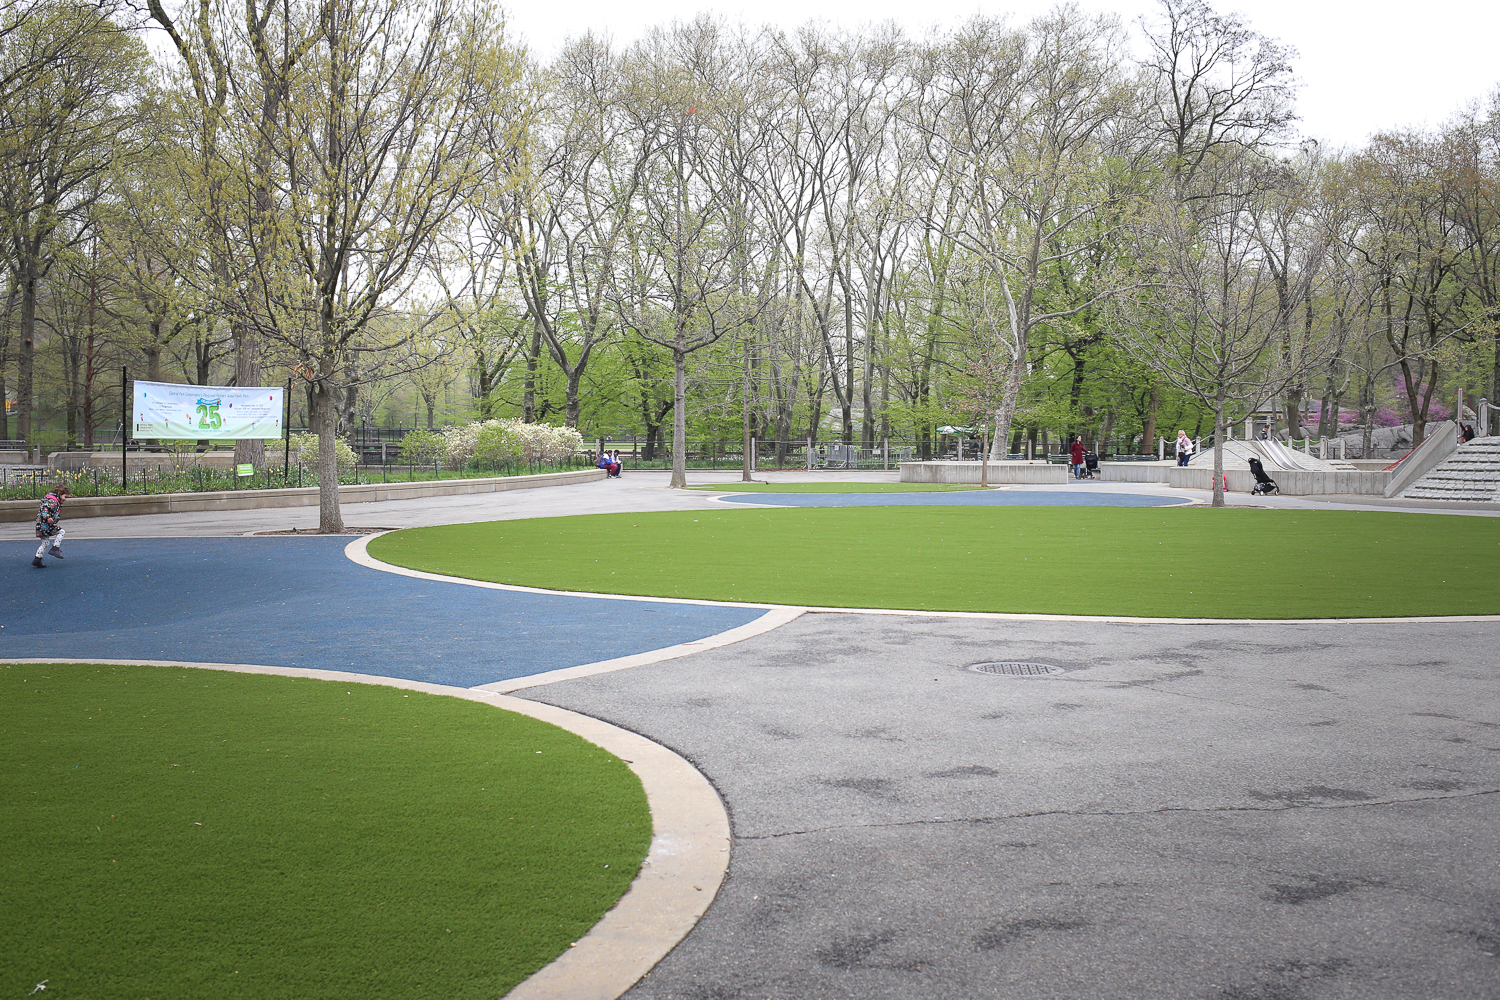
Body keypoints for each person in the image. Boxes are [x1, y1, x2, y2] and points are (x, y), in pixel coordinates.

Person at [32, 484, 69, 568]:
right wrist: (48, 517)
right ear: (59, 493)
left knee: (45, 542)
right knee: (61, 531)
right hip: (46, 524)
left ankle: (37, 559)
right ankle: (55, 548)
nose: (65, 499)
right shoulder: (52, 500)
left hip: (41, 525)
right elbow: (45, 508)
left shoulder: (51, 500)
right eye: (65, 496)